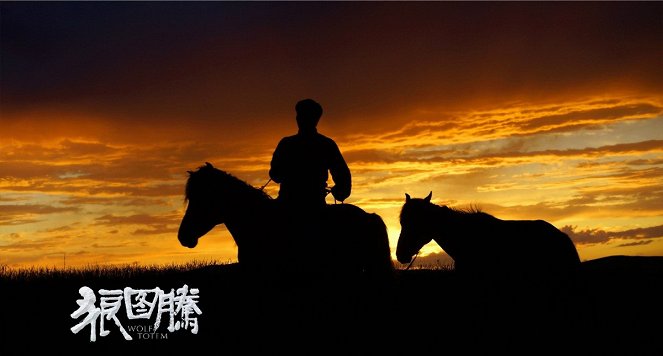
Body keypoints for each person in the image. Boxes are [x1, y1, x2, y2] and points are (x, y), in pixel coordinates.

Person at [269, 99, 351, 209]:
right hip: (315, 205)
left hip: (288, 204)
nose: (299, 119)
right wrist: (340, 192)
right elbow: (342, 174)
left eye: (301, 116)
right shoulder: (326, 144)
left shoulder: (286, 143)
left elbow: (275, 175)